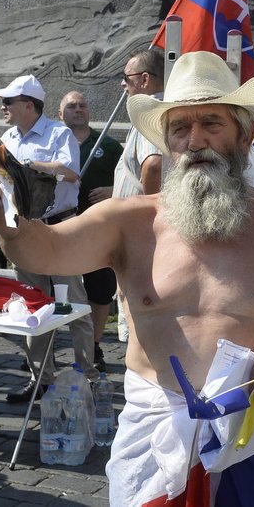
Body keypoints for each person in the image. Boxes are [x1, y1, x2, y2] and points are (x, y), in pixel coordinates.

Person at [0, 51, 254, 505]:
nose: (195, 141)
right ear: (166, 142)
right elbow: (46, 248)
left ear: (245, 135)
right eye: (180, 128)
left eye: (212, 123)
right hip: (155, 437)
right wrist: (5, 219)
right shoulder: (128, 222)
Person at [0, 75, 97, 403]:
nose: (3, 106)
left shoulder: (59, 132)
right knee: (31, 305)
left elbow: (70, 172)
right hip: (24, 228)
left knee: (74, 304)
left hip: (60, 228)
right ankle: (40, 377)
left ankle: (86, 376)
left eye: (9, 101)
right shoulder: (7, 136)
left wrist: (29, 165)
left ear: (28, 105)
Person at [59, 90, 123, 371]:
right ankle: (45, 348)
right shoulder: (55, 143)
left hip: (99, 230)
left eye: (83, 105)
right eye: (71, 106)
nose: (78, 109)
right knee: (57, 292)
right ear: (60, 114)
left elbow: (128, 178)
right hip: (63, 228)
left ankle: (93, 347)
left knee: (100, 291)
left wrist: (112, 190)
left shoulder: (107, 145)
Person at [111, 48, 166, 342]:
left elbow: (153, 165)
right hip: (142, 227)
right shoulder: (157, 111)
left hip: (141, 231)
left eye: (126, 78)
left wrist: (147, 215)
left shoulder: (148, 112)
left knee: (137, 318)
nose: (123, 85)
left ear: (144, 80)